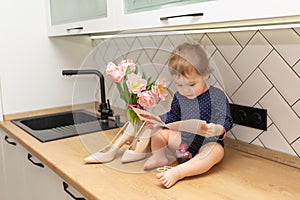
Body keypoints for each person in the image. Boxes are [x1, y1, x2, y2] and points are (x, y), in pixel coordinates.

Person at [143, 43, 233, 188]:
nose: (186, 90)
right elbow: (173, 116)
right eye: (179, 85)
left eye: (191, 84)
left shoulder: (217, 96)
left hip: (207, 143)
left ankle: (179, 172)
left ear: (205, 74)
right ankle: (158, 157)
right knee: (158, 132)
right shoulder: (179, 97)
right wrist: (157, 120)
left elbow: (227, 119)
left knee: (217, 151)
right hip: (183, 142)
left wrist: (217, 129)